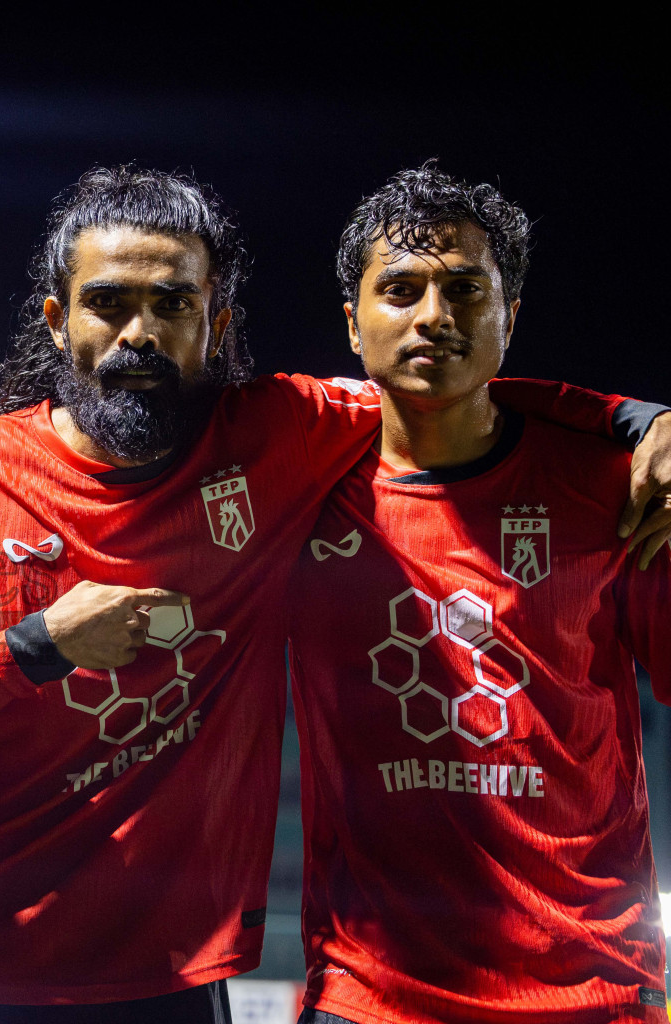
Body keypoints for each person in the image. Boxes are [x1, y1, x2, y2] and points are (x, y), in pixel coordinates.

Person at [0, 165, 671, 1023]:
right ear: (56, 319)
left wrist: (640, 417)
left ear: (216, 325)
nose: (139, 334)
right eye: (109, 303)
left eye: (174, 305)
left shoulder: (287, 438)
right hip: (1, 972)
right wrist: (35, 641)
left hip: (198, 981)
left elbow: (443, 387)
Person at [288, 165, 671, 1024]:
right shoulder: (297, 487)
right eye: (401, 289)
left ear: (510, 319)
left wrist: (646, 423)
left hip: (591, 988)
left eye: (466, 288)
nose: (435, 316)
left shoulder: (618, 488)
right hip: (370, 996)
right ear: (353, 325)